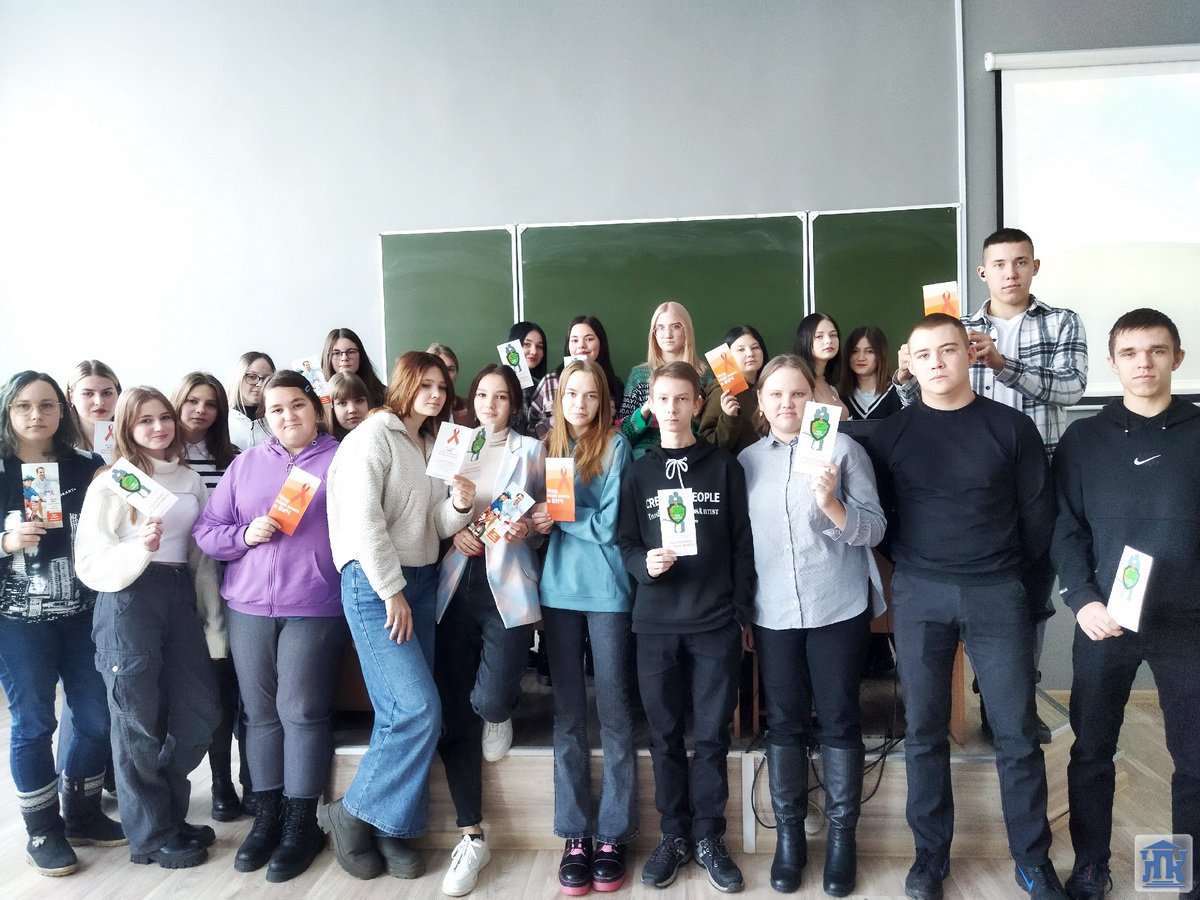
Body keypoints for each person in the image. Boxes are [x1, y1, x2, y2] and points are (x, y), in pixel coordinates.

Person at [868, 314, 1066, 900]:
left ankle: (1032, 861)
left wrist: (1016, 587)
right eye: (924, 354)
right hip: (920, 594)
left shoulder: (1011, 428)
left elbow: (1038, 519)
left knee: (1017, 734)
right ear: (909, 362)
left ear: (970, 353)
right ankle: (930, 858)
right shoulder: (891, 434)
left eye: (948, 350)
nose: (937, 362)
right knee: (924, 731)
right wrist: (913, 563)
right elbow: (879, 518)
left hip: (997, 592)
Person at [894, 228, 1087, 744]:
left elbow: (1073, 388)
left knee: (1030, 597)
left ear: (1034, 267)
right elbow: (924, 405)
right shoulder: (957, 327)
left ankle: (1012, 699)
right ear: (983, 273)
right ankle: (992, 700)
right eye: (999, 265)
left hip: (1040, 473)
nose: (1010, 273)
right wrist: (907, 373)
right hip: (972, 486)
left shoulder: (1061, 321)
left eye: (1020, 262)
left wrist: (1001, 364)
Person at [1050, 309, 1199, 900]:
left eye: (1157, 351)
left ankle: (1188, 875)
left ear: (1177, 358)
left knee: (1194, 758)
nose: (1144, 363)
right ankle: (1091, 866)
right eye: (1131, 353)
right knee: (1091, 750)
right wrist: (1083, 601)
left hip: (1189, 622)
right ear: (1112, 363)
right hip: (1104, 621)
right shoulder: (1084, 439)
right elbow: (1066, 528)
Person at [322, 351, 475, 881]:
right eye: (424, 384)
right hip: (376, 583)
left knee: (399, 713)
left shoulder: (430, 443)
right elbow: (364, 520)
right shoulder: (372, 436)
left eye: (441, 387)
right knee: (418, 708)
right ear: (403, 385)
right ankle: (349, 812)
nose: (434, 394)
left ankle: (391, 826)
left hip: (423, 580)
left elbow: (433, 523)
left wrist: (460, 505)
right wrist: (391, 591)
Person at [739, 355, 886, 896]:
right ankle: (790, 839)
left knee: (841, 718)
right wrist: (743, 610)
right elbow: (741, 545)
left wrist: (830, 501)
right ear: (761, 402)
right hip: (773, 611)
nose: (787, 403)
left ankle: (843, 839)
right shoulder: (746, 461)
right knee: (785, 721)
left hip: (836, 605)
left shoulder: (844, 450)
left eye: (797, 393)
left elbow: (875, 529)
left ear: (814, 399)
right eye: (775, 394)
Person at [194, 370, 347, 883]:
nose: (288, 416)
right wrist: (244, 535)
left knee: (301, 710)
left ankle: (302, 824)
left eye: (297, 405)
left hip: (315, 604)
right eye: (276, 409)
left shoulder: (341, 460)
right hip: (249, 606)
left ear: (316, 408)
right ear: (265, 417)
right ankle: (268, 818)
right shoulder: (246, 465)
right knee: (259, 715)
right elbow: (208, 531)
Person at [617, 361, 755, 893]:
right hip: (654, 624)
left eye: (682, 399)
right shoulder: (638, 472)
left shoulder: (724, 467)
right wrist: (642, 565)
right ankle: (674, 835)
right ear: (650, 406)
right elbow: (626, 542)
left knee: (713, 736)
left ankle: (709, 836)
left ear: (698, 404)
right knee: (665, 736)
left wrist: (741, 612)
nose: (672, 409)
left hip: (715, 622)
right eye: (663, 400)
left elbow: (743, 545)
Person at [75, 387, 223, 870]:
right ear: (125, 428)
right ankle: (151, 834)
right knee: (136, 722)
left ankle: (167, 815)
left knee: (199, 714)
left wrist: (212, 619)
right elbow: (89, 561)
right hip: (128, 601)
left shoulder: (188, 479)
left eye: (164, 417)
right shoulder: (112, 482)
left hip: (179, 597)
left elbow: (200, 554)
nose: (158, 427)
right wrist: (140, 546)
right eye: (145, 421)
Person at [0, 372, 125, 877]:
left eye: (47, 405)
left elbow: (116, 524)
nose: (37, 415)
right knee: (34, 723)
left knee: (96, 718)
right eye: (24, 406)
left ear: (62, 410)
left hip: (82, 616)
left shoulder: (86, 465)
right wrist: (6, 542)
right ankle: (42, 829)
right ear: (8, 410)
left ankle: (82, 812)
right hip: (18, 621)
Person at [433, 363, 545, 897]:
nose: (490, 404)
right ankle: (470, 832)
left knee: (491, 699)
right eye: (482, 395)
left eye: (501, 397)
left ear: (514, 404)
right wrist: (452, 532)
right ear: (471, 399)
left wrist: (529, 528)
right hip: (455, 583)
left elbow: (547, 519)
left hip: (509, 583)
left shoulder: (532, 450)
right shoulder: (453, 444)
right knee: (454, 712)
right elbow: (431, 514)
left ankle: (497, 714)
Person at [529, 360, 635, 894]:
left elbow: (611, 525)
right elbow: (536, 521)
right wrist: (536, 520)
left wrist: (562, 518)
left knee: (614, 711)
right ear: (559, 398)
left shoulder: (616, 447)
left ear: (604, 402)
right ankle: (575, 834)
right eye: (572, 394)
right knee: (568, 715)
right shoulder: (546, 448)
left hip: (609, 591)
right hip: (558, 592)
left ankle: (613, 834)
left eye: (591, 396)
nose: (580, 403)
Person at [171, 371, 247, 822]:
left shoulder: (232, 458)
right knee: (203, 695)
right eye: (192, 401)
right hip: (179, 583)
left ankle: (243, 783)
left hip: (231, 579)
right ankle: (215, 785)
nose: (201, 410)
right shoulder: (160, 458)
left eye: (211, 403)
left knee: (235, 689)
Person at [618, 301, 714, 457]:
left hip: (691, 456)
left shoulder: (705, 376)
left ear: (686, 330)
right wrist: (644, 411)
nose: (667, 334)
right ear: (654, 333)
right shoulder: (639, 375)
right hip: (645, 458)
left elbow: (713, 432)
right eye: (660, 328)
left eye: (675, 326)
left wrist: (695, 417)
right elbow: (621, 433)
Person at [528, 316, 624, 441]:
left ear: (601, 343)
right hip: (554, 450)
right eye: (574, 340)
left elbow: (623, 427)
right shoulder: (551, 381)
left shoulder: (615, 385)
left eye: (589, 339)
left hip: (599, 450)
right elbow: (530, 428)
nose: (581, 345)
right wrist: (556, 420)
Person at [699, 325, 767, 454]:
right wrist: (729, 418)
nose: (750, 354)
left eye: (755, 347)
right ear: (727, 356)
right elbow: (708, 443)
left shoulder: (771, 386)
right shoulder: (722, 391)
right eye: (741, 349)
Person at [794, 314, 849, 420]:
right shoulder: (798, 381)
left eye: (833, 335)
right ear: (805, 340)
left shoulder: (830, 386)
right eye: (819, 336)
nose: (829, 341)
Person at [840, 326, 901, 420]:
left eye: (869, 351)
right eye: (855, 351)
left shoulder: (898, 394)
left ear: (880, 355)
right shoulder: (841, 398)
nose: (861, 358)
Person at [320, 327, 387, 408]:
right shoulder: (321, 395)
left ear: (361, 356)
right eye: (336, 353)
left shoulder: (383, 394)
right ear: (328, 358)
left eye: (351, 352)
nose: (344, 358)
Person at [66, 360, 121, 455]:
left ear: (118, 395)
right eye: (88, 393)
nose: (99, 402)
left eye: (107, 393)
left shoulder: (136, 439)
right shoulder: (58, 443)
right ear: (71, 397)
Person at [505, 321, 548, 435]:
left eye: (539, 346)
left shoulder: (540, 386)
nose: (534, 351)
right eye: (527, 344)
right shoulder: (496, 382)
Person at [226, 352, 276, 450]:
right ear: (238, 378)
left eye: (267, 378)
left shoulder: (278, 418)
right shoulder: (222, 419)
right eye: (252, 377)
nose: (259, 384)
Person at [428, 343, 473, 426]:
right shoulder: (420, 409)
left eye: (450, 369)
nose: (445, 375)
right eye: (439, 369)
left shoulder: (470, 407)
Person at [326, 372, 370, 441]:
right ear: (332, 408)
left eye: (359, 400)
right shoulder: (323, 443)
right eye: (342, 403)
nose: (352, 410)